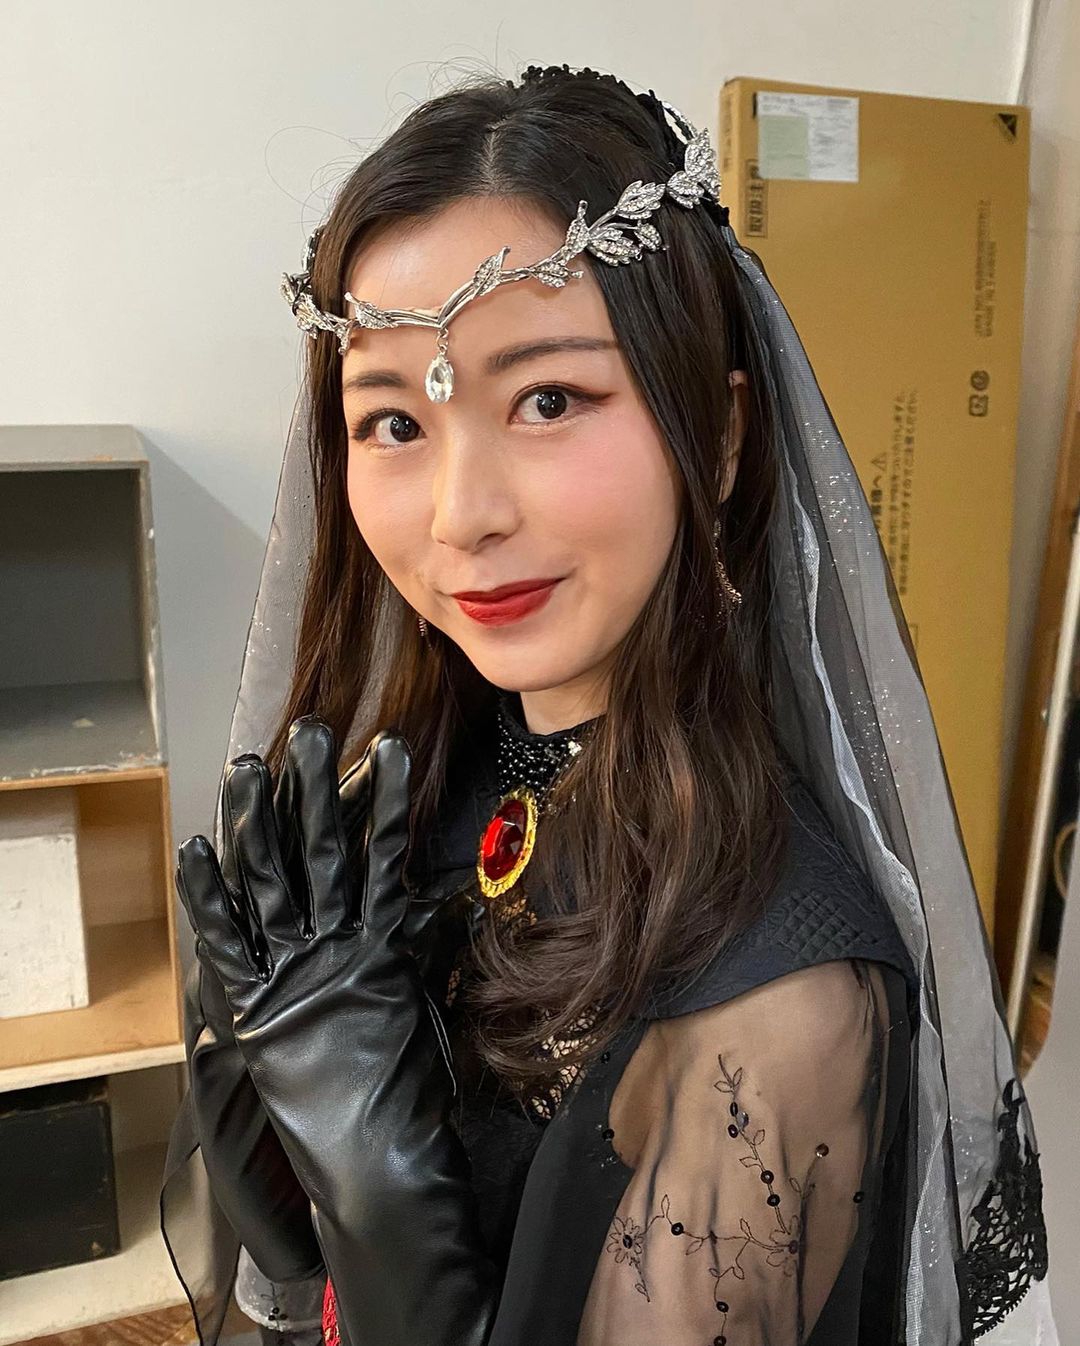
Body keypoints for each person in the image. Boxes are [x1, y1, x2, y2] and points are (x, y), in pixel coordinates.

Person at [159, 64, 1055, 1346]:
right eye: (394, 422)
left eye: (549, 399)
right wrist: (293, 1212)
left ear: (721, 436)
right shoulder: (416, 793)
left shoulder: (773, 1014)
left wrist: (381, 1204)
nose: (462, 514)